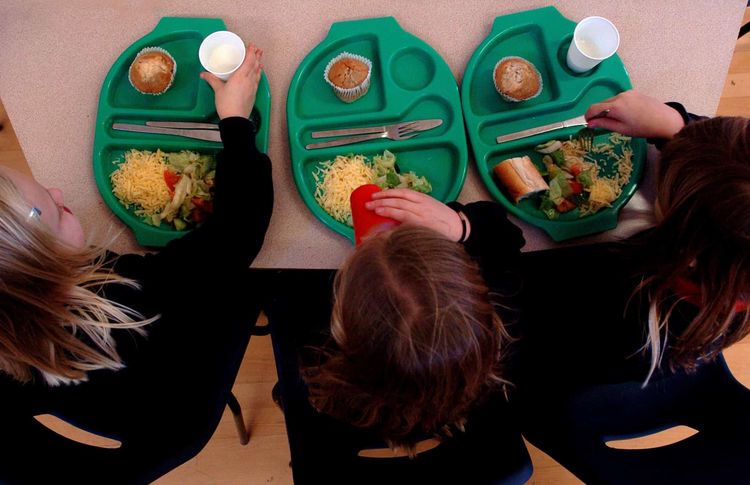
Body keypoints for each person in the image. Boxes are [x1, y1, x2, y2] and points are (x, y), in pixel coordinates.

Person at [0, 44, 271, 480]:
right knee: (276, 278)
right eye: (56, 211)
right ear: (43, 265)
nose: (59, 194)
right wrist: (236, 122)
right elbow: (238, 233)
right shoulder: (130, 296)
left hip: (138, 430)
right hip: (184, 402)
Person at [516, 90, 749, 392]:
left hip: (537, 353)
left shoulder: (619, 301)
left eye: (668, 189)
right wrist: (677, 124)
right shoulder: (730, 254)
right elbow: (733, 166)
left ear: (684, 247)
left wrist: (472, 227)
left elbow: (511, 292)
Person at [302, 189, 525, 455]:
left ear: (342, 329)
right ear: (479, 293)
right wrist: (460, 225)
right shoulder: (509, 321)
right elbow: (509, 238)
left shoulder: (321, 363)